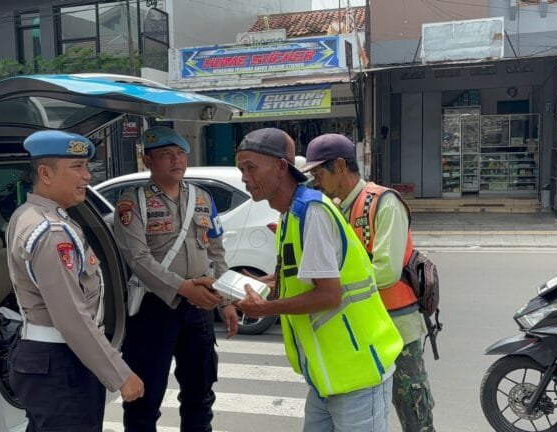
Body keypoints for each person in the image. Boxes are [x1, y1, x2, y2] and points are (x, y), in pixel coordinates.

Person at [234, 127, 403, 432]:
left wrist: (265, 310)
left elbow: (329, 296)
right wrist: (265, 284)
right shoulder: (290, 217)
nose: (245, 178)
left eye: (251, 168)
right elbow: (304, 277)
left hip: (358, 375)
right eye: (241, 169)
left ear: (281, 167)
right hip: (327, 376)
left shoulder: (312, 212)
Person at [6, 130, 144, 432]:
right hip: (60, 363)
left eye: (87, 167)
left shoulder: (29, 213)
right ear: (45, 173)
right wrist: (119, 373)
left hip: (51, 360)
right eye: (77, 167)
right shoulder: (51, 231)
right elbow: (70, 316)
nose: (87, 176)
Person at [301, 133, 436, 432]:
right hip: (359, 332)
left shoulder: (384, 202)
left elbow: (386, 271)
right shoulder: (333, 208)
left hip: (395, 327)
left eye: (319, 173)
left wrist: (331, 290)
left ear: (339, 166)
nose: (315, 181)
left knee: (413, 411)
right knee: (366, 416)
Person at [112, 126, 238, 432]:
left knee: (200, 396)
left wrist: (227, 302)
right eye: (166, 155)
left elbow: (217, 253)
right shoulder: (133, 202)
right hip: (154, 310)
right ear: (147, 161)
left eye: (181, 153)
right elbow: (139, 260)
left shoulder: (203, 198)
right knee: (144, 400)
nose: (176, 160)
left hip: (199, 311)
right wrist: (182, 288)